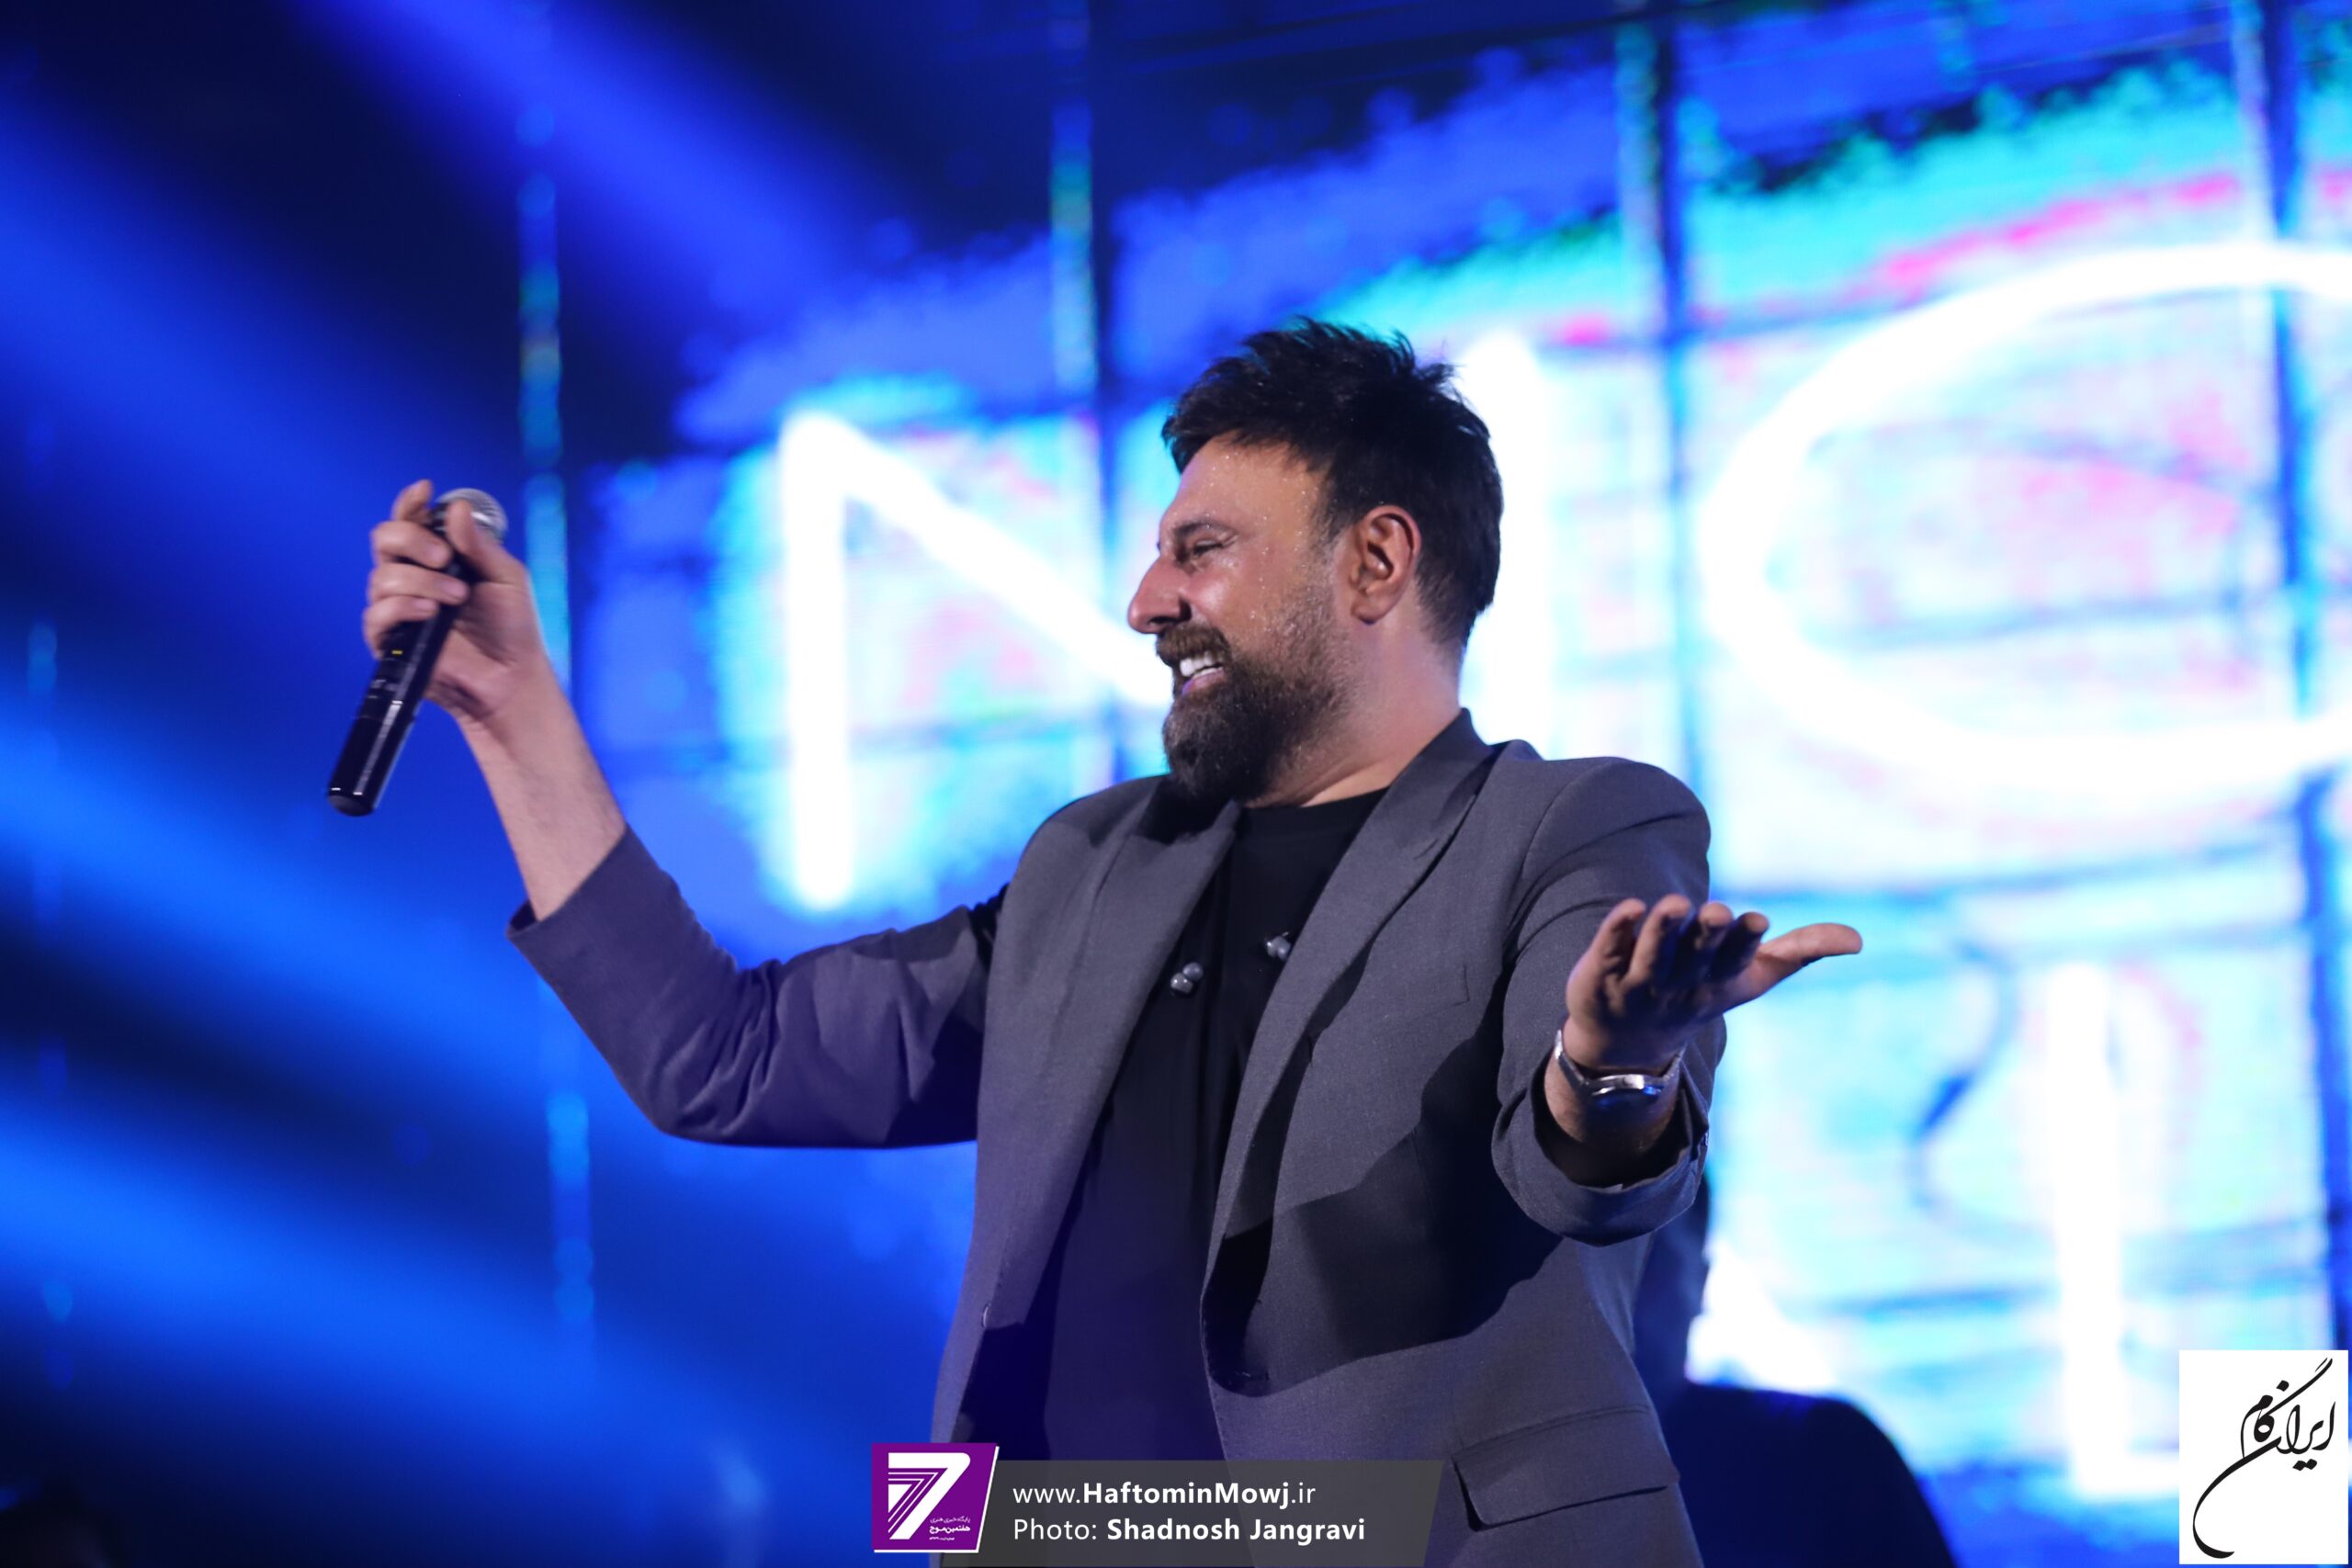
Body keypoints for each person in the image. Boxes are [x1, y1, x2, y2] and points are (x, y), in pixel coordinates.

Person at [362, 319, 1862, 1564]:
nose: (1149, 602)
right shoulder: (1095, 866)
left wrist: (1612, 1063)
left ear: (1377, 561)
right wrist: (509, 707)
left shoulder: (1571, 823)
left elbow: (1584, 1170)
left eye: (1201, 549)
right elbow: (721, 1057)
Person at [1633, 1178, 1961, 1566]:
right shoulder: (1824, 1449)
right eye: (1585, 1271)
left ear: (1702, 1283)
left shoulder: (1831, 1455)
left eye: (1647, 1263)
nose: (1613, 1299)